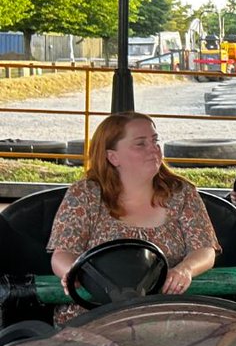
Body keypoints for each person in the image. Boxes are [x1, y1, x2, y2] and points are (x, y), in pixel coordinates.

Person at [48, 113, 219, 323]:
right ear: (113, 157)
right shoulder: (85, 194)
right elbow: (62, 254)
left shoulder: (181, 193)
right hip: (95, 315)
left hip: (164, 314)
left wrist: (185, 270)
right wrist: (75, 273)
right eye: (141, 144)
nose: (154, 149)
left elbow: (205, 250)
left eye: (155, 141)